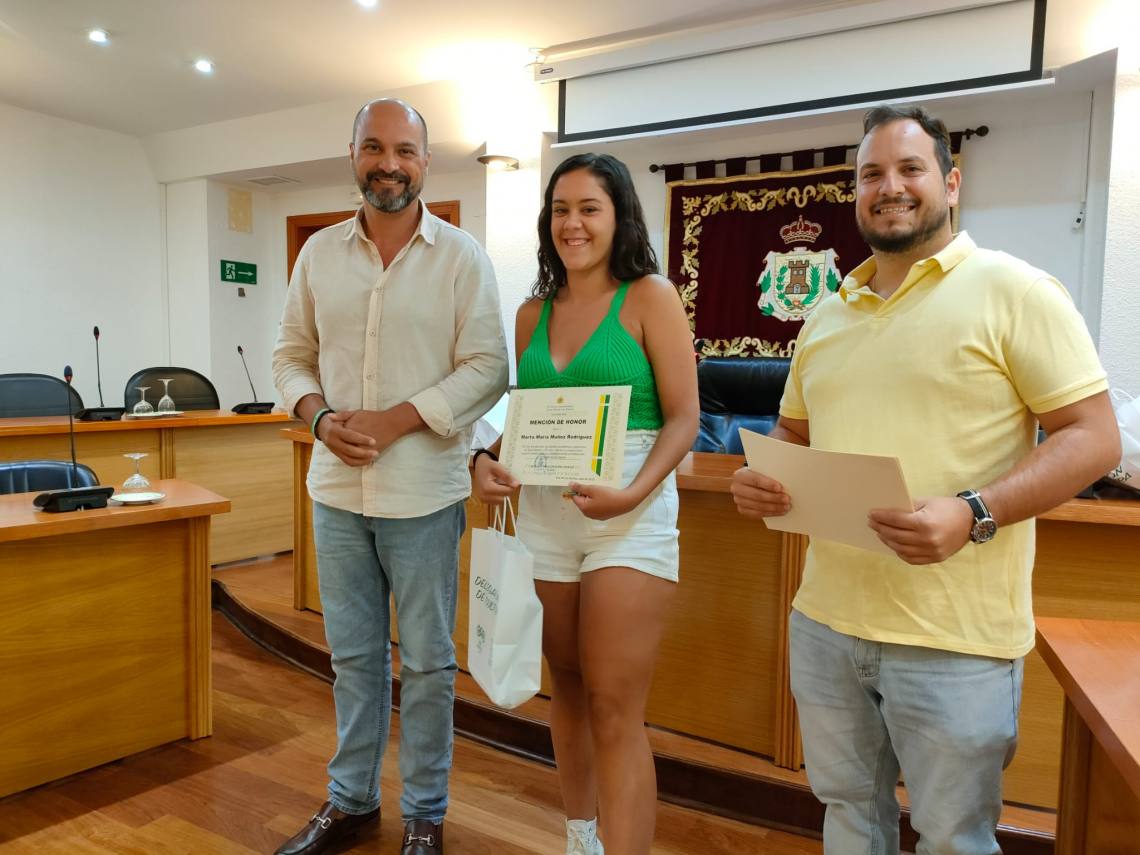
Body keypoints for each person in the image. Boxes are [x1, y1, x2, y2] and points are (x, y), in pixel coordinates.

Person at [731, 104, 1120, 854]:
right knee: (849, 815)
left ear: (951, 182)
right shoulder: (827, 315)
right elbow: (793, 435)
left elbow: (1094, 437)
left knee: (953, 839)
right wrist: (761, 475)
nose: (890, 187)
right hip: (827, 623)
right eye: (871, 174)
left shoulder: (1016, 291)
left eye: (910, 169)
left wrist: (975, 511)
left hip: (956, 640)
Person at [271, 98, 509, 855]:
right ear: (353, 155)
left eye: (405, 150)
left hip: (424, 494)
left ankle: (425, 814)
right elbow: (290, 356)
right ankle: (352, 802)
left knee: (430, 665)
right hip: (337, 494)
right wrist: (319, 418)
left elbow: (488, 368)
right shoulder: (318, 255)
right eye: (374, 147)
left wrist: (396, 419)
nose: (389, 163)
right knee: (352, 658)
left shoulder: (461, 257)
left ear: (425, 162)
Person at [473, 153, 698, 855]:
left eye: (589, 208)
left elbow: (684, 419)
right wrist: (485, 459)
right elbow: (530, 416)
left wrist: (632, 492)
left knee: (613, 704)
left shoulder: (651, 296)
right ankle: (581, 838)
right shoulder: (531, 314)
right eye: (560, 210)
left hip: (628, 514)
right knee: (567, 687)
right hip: (545, 514)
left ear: (619, 216)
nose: (572, 223)